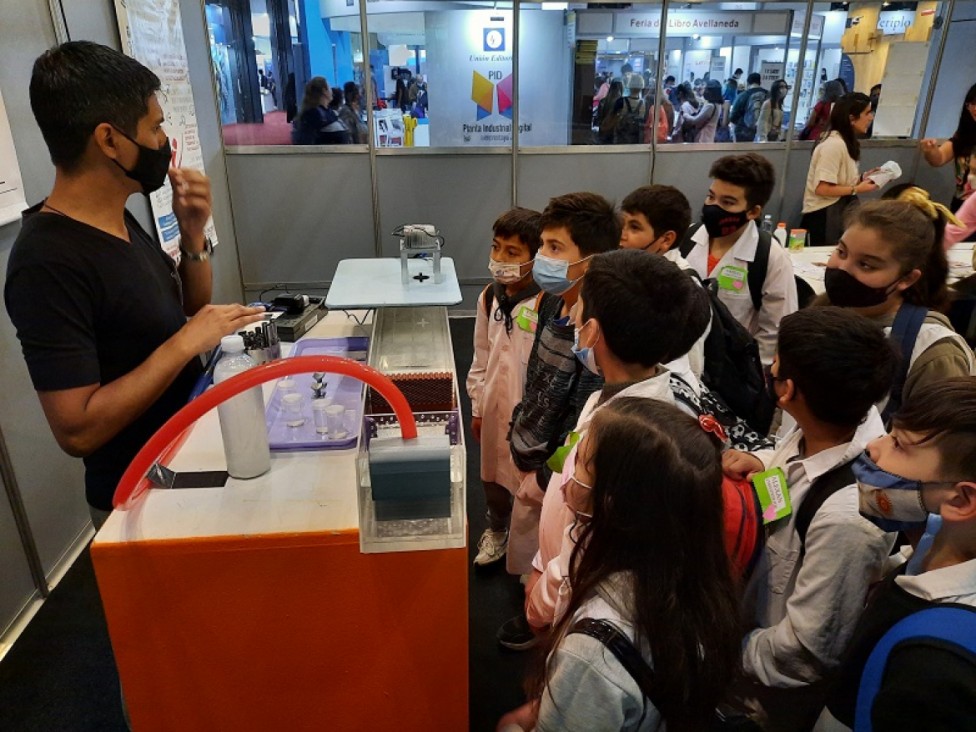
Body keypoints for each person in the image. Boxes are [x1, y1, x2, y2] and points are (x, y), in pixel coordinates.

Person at [3, 41, 264, 525]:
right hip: (137, 495)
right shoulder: (46, 261)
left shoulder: (117, 218)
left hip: (182, 458)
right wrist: (185, 345)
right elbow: (77, 429)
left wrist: (192, 234)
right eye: (155, 126)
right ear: (109, 140)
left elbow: (187, 306)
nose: (164, 140)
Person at [496, 398, 741, 732]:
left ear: (612, 502)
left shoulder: (593, 651)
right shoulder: (698, 581)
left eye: (581, 461)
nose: (570, 468)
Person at [722, 307, 898, 730]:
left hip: (771, 705)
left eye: (777, 364)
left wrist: (719, 649)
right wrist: (761, 461)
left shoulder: (847, 519)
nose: (771, 368)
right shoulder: (823, 424)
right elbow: (789, 466)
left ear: (787, 390)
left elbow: (804, 653)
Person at [523, 250, 711, 635]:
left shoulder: (641, 437)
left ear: (591, 331)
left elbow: (593, 553)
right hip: (557, 574)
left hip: (578, 609)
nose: (572, 316)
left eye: (580, 309)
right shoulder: (612, 393)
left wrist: (543, 596)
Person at [817, 377, 976, 731]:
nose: (874, 447)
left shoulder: (934, 671)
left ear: (961, 500)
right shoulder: (929, 547)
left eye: (900, 446)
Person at [499, 192, 620, 650]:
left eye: (554, 248)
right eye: (543, 246)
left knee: (556, 554)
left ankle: (547, 630)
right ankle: (532, 605)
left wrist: (549, 468)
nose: (542, 258)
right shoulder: (552, 302)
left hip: (560, 465)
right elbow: (539, 379)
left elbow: (586, 409)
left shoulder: (596, 326)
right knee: (528, 546)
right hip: (531, 445)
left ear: (591, 260)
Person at [821, 193, 974, 416]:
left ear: (906, 279)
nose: (842, 269)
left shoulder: (933, 352)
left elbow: (940, 441)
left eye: (866, 265)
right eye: (841, 252)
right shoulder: (823, 313)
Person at [466, 208, 543, 567]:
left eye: (512, 253)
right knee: (492, 477)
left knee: (530, 487)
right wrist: (478, 407)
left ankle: (530, 550)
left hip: (532, 416)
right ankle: (496, 530)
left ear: (536, 257)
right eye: (496, 248)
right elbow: (481, 358)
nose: (499, 259)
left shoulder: (548, 302)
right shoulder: (489, 297)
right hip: (495, 407)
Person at [681, 153, 799, 365]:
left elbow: (776, 331)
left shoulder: (770, 257)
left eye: (727, 202)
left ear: (753, 211)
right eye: (711, 197)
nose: (713, 207)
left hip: (733, 370)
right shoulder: (688, 239)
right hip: (682, 362)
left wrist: (746, 371)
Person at [800, 93, 879, 247]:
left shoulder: (846, 142)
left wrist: (862, 178)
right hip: (824, 216)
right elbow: (822, 189)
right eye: (867, 113)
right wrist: (857, 188)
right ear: (851, 118)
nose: (871, 118)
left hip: (839, 212)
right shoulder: (833, 145)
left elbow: (839, 181)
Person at [920, 82, 976, 212]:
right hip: (962, 205)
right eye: (972, 104)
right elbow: (939, 159)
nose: (975, 109)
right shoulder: (963, 134)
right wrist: (930, 150)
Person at [292, 76, 351, 145]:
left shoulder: (330, 112)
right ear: (324, 91)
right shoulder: (313, 114)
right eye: (329, 88)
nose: (331, 91)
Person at [729, 72, 767, 143]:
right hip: (763, 132)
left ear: (748, 82)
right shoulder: (768, 95)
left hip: (744, 131)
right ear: (760, 82)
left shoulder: (743, 95)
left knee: (743, 153)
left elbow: (733, 117)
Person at [683, 79, 723, 143]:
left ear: (711, 92)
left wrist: (685, 115)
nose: (704, 92)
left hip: (702, 138)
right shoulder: (718, 105)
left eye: (706, 89)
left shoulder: (710, 106)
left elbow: (695, 120)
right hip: (710, 137)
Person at [610, 75, 646, 145]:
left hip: (621, 137)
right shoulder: (645, 103)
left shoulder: (620, 101)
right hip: (637, 139)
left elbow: (612, 116)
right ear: (641, 87)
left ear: (629, 86)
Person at [595, 79, 623, 144]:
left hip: (603, 132)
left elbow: (598, 118)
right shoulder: (621, 103)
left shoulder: (602, 101)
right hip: (615, 134)